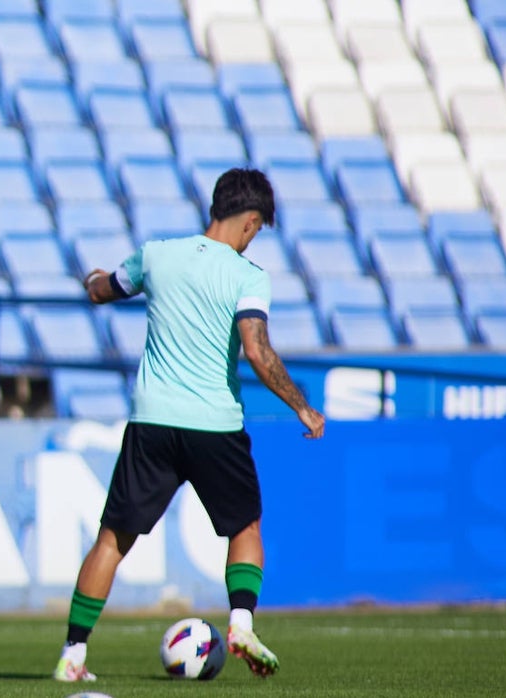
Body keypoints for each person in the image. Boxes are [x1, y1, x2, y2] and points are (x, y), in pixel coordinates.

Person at [52, 168, 325, 683]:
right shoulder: (248, 276)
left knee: (112, 539)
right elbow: (257, 351)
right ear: (249, 221)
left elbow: (103, 290)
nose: (255, 237)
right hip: (214, 424)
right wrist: (301, 406)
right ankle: (240, 623)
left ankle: (73, 655)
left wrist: (91, 277)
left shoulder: (156, 255)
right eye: (259, 228)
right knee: (243, 528)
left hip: (152, 421)